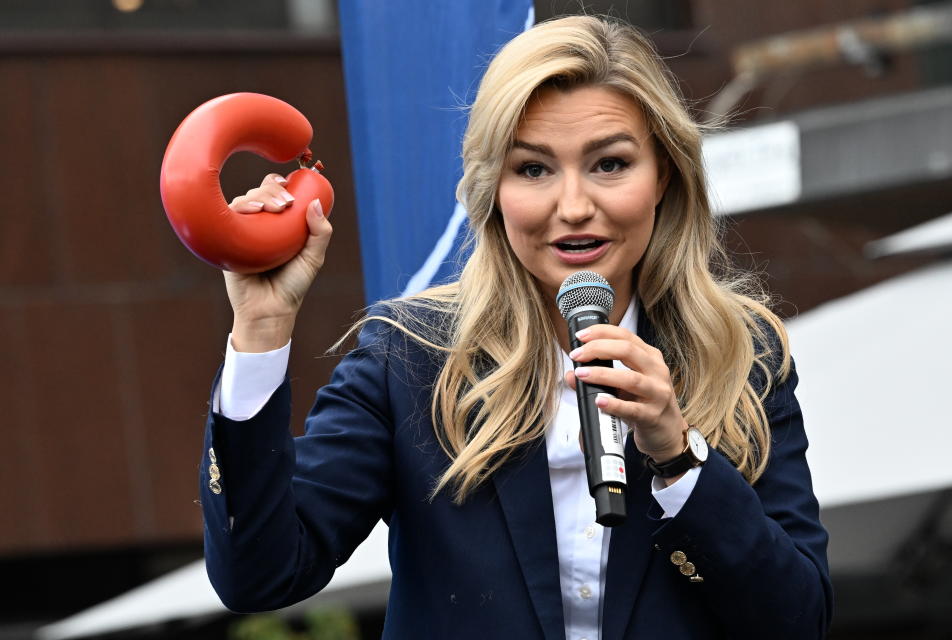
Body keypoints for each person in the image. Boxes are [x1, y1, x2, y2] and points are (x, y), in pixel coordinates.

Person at [200, 14, 832, 639]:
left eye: (610, 164)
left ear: (663, 174)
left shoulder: (740, 353)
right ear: (492, 190)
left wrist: (679, 456)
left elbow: (799, 620)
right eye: (533, 169)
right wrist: (262, 327)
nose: (575, 206)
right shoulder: (412, 356)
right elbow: (261, 576)